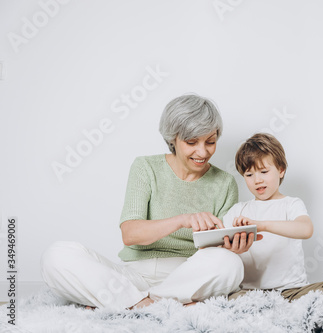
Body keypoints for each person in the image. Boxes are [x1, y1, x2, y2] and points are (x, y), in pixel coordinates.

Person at [40, 94, 258, 310]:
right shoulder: (145, 168)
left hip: (186, 277)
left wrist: (234, 246)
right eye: (191, 142)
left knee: (231, 264)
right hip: (130, 277)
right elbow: (130, 234)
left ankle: (135, 303)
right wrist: (183, 220)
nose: (203, 152)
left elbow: (216, 251)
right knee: (57, 255)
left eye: (210, 142)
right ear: (173, 138)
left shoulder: (225, 183)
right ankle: (157, 304)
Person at [225, 133, 323, 305]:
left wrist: (262, 225)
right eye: (249, 175)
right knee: (231, 298)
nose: (257, 180)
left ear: (281, 170)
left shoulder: (291, 204)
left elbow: (305, 229)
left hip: (293, 292)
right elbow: (217, 243)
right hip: (253, 293)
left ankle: (283, 310)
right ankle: (281, 311)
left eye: (264, 172)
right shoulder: (238, 210)